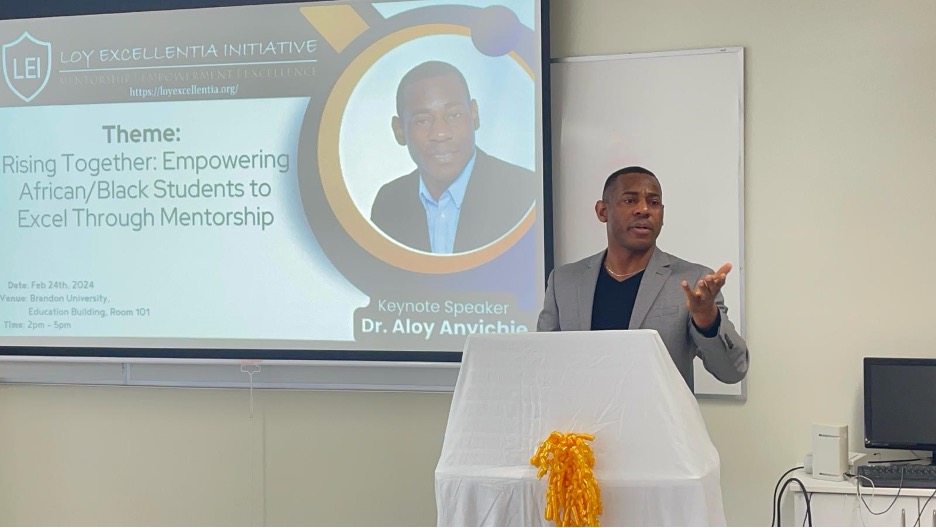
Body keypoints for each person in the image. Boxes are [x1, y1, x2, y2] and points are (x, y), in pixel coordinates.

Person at [536, 166, 748, 390]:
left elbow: (733, 372)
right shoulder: (564, 281)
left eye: (654, 202)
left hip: (654, 424)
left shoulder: (693, 280)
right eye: (630, 200)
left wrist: (707, 319)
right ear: (602, 211)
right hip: (580, 424)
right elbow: (541, 364)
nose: (644, 209)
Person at [370, 60, 535, 254]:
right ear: (400, 131)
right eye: (422, 121)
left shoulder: (525, 192)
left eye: (454, 115)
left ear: (474, 115)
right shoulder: (389, 203)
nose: (440, 133)